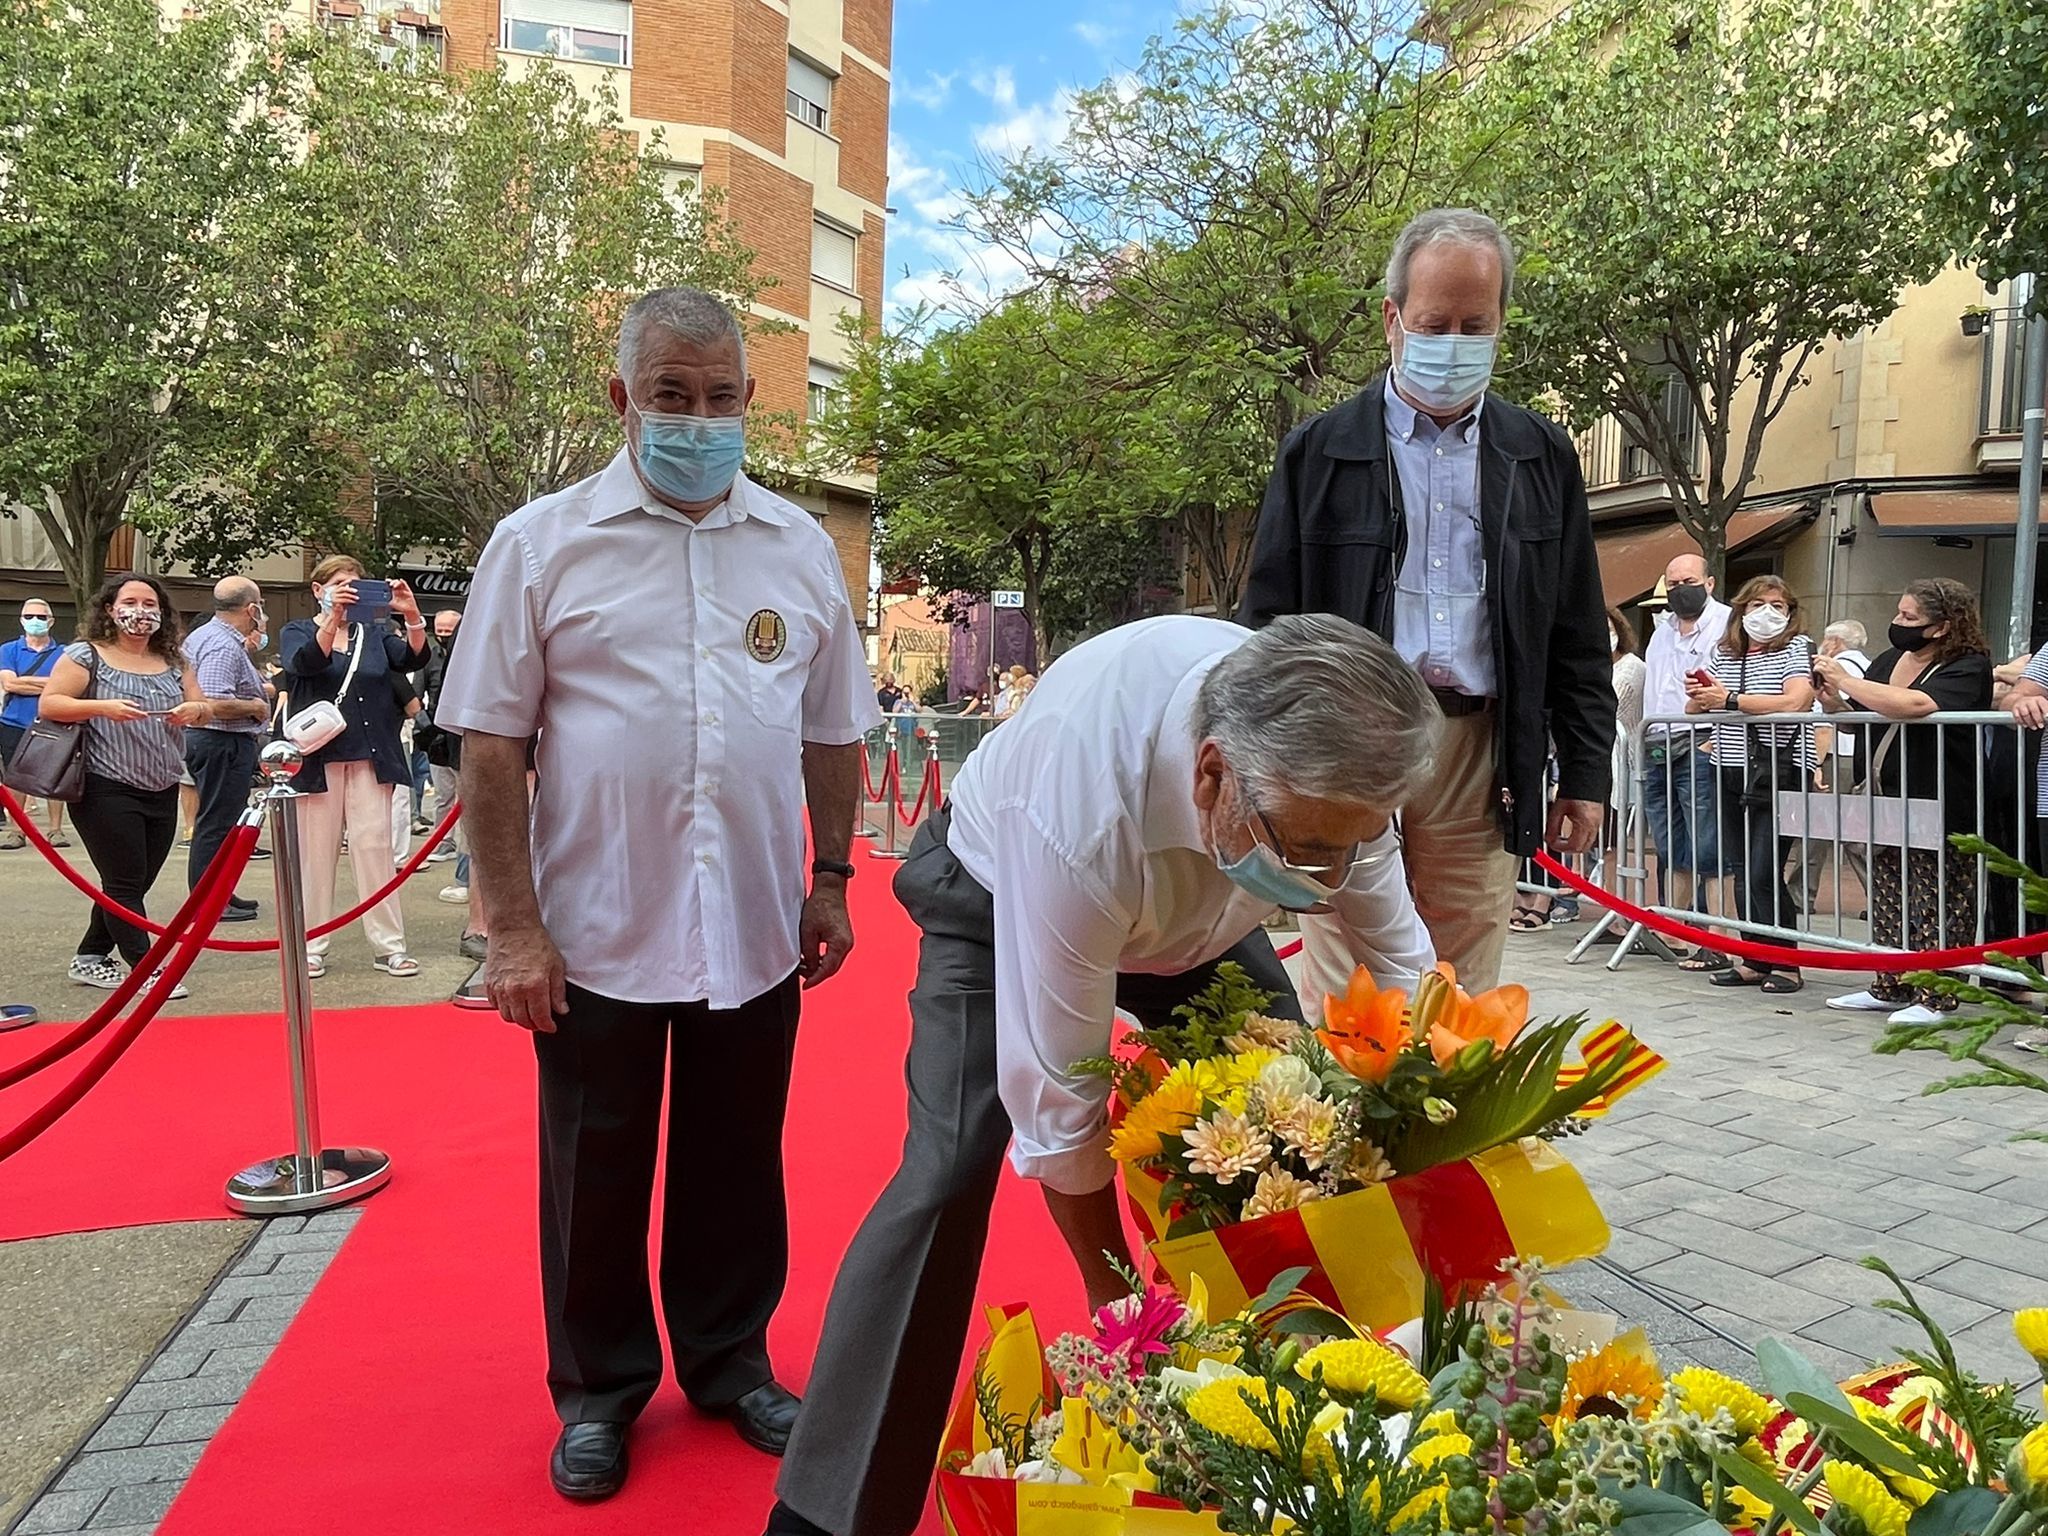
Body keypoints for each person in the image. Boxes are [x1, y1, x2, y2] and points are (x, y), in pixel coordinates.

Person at [762, 612, 1440, 1536]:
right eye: (1308, 850)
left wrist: (1426, 1117)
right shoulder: (1079, 802)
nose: (1329, 875)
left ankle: (1294, 1453)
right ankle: (828, 1513)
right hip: (1002, 896)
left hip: (1200, 924)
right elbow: (1057, 1098)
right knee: (950, 1166)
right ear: (1211, 775)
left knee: (1299, 1140)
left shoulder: (1329, 768)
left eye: (1352, 846)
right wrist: (1113, 1289)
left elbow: (1398, 965)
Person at [436, 287, 879, 1501]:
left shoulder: (795, 547)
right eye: (673, 397)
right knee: (595, 1164)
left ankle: (730, 1362)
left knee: (738, 1158)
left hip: (749, 924)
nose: (700, 419)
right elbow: (489, 747)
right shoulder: (539, 544)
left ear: (750, 401)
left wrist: (828, 880)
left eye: (723, 398)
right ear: (622, 398)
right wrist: (512, 928)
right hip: (594, 928)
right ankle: (597, 1392)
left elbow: (833, 734)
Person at [1237, 207, 1614, 990]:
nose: (1454, 341)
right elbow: (1269, 624)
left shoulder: (1540, 454)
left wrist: (1586, 771)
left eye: (1475, 324)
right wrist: (1265, 767)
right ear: (1392, 318)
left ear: (1502, 320)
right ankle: (1338, 1114)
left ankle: (1451, 1113)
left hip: (1480, 752)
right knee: (1346, 977)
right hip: (1348, 741)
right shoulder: (1319, 451)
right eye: (1434, 321)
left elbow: (1576, 625)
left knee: (1462, 978)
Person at [1821, 580, 1993, 1024]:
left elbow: (1916, 705)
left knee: (1939, 896)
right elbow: (1866, 720)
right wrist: (1835, 702)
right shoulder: (1888, 659)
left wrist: (1848, 682)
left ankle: (1938, 994)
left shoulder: (1967, 663)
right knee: (1887, 892)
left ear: (1943, 627)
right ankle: (1890, 984)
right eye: (1898, 614)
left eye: (1910, 618)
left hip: (1941, 799)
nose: (1898, 624)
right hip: (1883, 796)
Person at [36, 574, 212, 996]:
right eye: (130, 601)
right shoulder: (86, 655)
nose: (140, 611)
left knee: (135, 881)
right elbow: (51, 704)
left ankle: (91, 956)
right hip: (104, 783)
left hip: (162, 783)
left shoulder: (174, 660)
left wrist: (195, 710)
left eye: (150, 603)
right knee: (124, 881)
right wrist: (103, 708)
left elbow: (202, 706)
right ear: (111, 609)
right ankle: (147, 968)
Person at [279, 555, 430, 980]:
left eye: (356, 584)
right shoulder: (297, 630)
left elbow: (411, 660)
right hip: (319, 757)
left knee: (375, 849)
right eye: (341, 583)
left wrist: (412, 614)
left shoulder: (375, 633)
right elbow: (304, 664)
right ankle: (311, 944)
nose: (350, 590)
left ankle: (389, 946)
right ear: (318, 589)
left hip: (371, 754)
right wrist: (332, 618)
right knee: (315, 854)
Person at [1684, 576, 1815, 993]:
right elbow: (1695, 708)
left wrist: (1731, 701)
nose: (1767, 613)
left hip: (1781, 770)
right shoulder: (1726, 652)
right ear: (1742, 610)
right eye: (1758, 604)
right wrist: (1701, 693)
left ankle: (1786, 961)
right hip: (1729, 764)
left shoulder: (1796, 648)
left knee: (1764, 868)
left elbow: (1796, 700)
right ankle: (1754, 956)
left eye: (1778, 605)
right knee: (1741, 868)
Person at [1514, 605, 1644, 930]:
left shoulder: (1631, 667)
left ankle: (1614, 915)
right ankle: (1548, 896)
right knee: (1561, 834)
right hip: (1569, 760)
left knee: (1610, 841)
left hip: (1615, 765)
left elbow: (1606, 707)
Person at [1640, 553, 1733, 968]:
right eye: (1673, 582)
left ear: (1709, 583)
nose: (1681, 588)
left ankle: (1719, 934)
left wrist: (1717, 737)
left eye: (1689, 580)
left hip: (1702, 740)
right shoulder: (1660, 631)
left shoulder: (1727, 624)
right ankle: (1675, 929)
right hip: (1658, 741)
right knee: (1669, 841)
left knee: (1708, 841)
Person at [183, 577, 272, 922]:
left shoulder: (207, 636)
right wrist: (254, 705)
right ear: (251, 608)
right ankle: (209, 901)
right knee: (217, 823)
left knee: (221, 822)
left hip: (217, 742)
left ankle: (220, 893)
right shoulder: (221, 644)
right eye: (260, 605)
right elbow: (212, 701)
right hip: (220, 741)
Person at [1797, 620, 1872, 913]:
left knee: (1818, 826)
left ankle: (1801, 893)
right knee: (1857, 830)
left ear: (1835, 642)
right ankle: (1882, 893)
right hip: (1862, 755)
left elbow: (1825, 724)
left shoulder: (1835, 669)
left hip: (1836, 755)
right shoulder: (1870, 666)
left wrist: (1815, 763)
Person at [0, 597, 71, 850]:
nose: (35, 622)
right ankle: (16, 831)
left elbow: (69, 686)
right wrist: (50, 683)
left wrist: (26, 682)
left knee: (56, 775)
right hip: (14, 722)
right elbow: (9, 684)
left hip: (53, 721)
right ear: (21, 620)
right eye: (29, 617)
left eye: (41, 617)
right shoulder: (8, 650)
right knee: (14, 779)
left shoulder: (65, 653)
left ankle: (56, 829)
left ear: (51, 621)